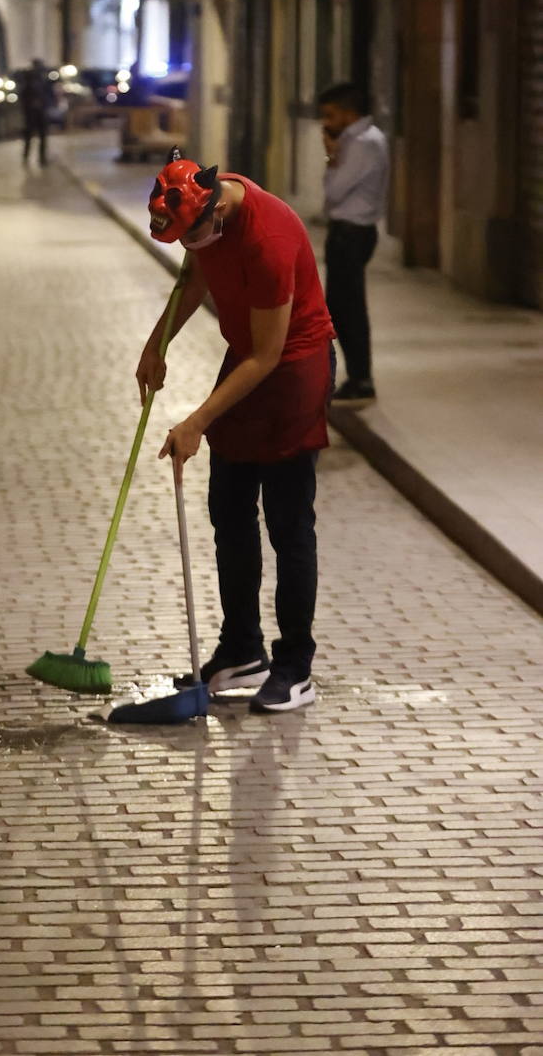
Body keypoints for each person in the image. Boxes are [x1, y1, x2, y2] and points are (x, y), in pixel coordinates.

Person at [136, 150, 335, 713]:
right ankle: (242, 647)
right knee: (228, 507)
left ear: (215, 212)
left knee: (288, 523)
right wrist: (158, 344)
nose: (190, 250)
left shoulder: (267, 239)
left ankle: (295, 664)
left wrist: (198, 419)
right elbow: (194, 280)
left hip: (293, 364)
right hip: (247, 356)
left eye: (191, 237)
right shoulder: (202, 214)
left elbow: (269, 354)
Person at [318, 82, 388, 405]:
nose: (327, 123)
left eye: (331, 115)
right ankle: (355, 376)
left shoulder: (361, 144)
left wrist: (332, 158)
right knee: (341, 308)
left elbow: (334, 193)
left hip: (351, 233)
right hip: (350, 232)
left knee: (349, 310)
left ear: (349, 113)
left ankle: (361, 379)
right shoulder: (361, 140)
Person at [20, 59, 55, 167]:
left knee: (39, 135)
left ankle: (40, 157)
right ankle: (33, 157)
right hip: (33, 112)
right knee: (33, 135)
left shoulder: (42, 79)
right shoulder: (30, 79)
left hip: (38, 111)